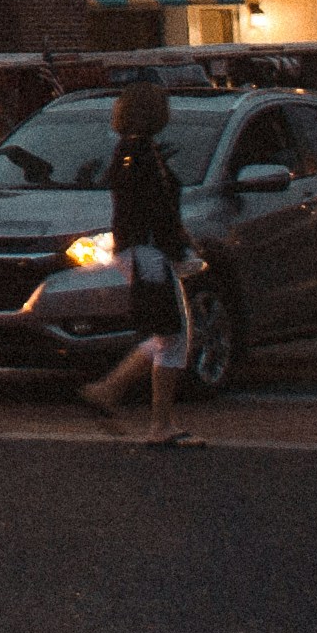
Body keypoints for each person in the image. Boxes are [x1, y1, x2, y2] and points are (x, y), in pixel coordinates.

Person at [73, 83, 203, 447]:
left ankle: (110, 390)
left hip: (142, 250)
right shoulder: (141, 155)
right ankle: (158, 423)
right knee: (173, 335)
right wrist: (178, 246)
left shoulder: (133, 152)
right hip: (148, 252)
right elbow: (152, 209)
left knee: (168, 334)